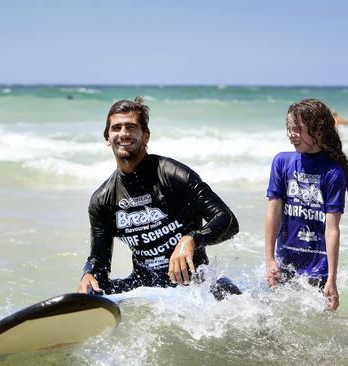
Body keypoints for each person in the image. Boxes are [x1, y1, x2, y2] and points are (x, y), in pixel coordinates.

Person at [76, 97, 240, 298]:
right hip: (146, 289)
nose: (124, 134)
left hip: (195, 286)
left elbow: (227, 219)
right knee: (90, 293)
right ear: (107, 138)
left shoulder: (172, 175)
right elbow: (99, 261)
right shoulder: (102, 200)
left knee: (226, 289)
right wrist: (89, 273)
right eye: (116, 128)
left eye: (131, 127)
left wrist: (193, 238)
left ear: (145, 136)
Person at [264, 98, 348, 311]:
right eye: (289, 128)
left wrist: (331, 279)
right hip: (284, 265)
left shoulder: (333, 172)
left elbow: (332, 229)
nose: (291, 134)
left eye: (297, 129)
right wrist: (269, 260)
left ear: (318, 130)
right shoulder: (282, 162)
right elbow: (273, 212)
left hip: (318, 272)